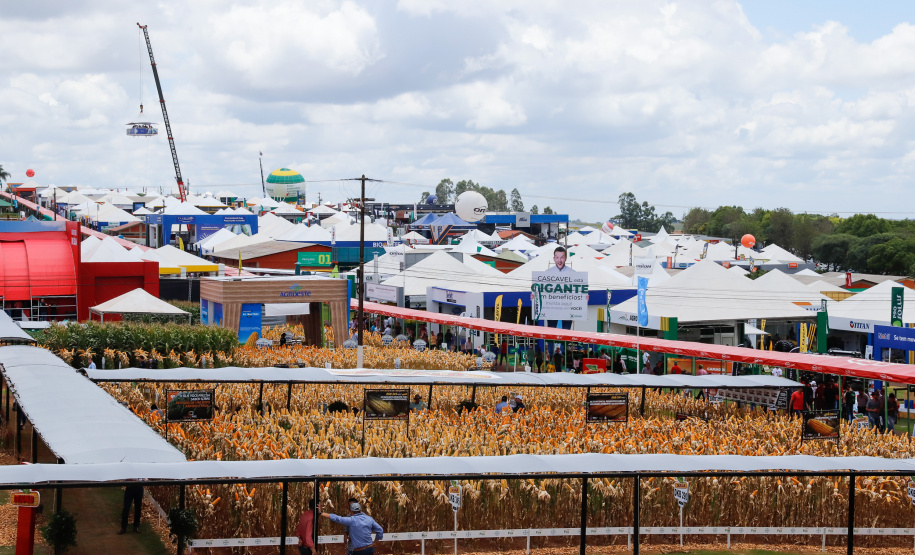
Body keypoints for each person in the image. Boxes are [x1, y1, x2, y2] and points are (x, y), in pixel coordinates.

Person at [319, 501, 383, 555]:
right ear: (360, 510)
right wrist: (375, 541)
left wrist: (321, 513)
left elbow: (337, 518)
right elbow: (380, 530)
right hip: (370, 549)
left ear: (351, 511)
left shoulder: (351, 520)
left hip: (359, 551)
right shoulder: (369, 519)